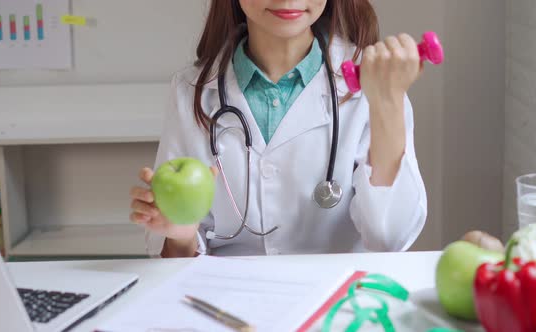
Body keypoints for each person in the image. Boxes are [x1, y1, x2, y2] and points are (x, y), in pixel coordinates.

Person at [129, 0, 428, 258]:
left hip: (336, 311)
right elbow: (175, 259)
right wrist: (180, 234)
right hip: (229, 306)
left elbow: (389, 238)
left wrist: (387, 102)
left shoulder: (376, 79)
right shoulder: (191, 91)